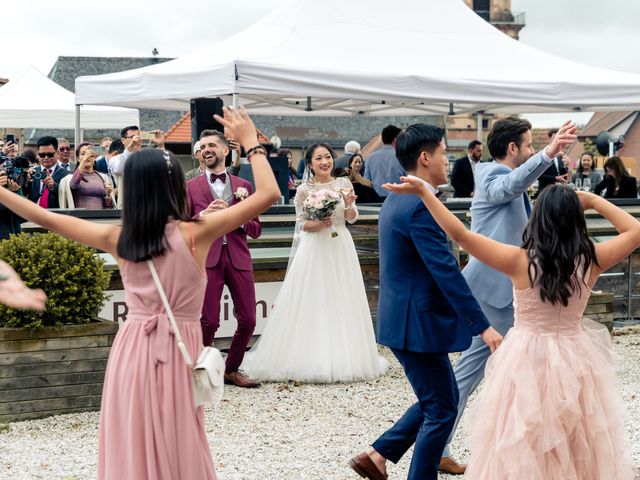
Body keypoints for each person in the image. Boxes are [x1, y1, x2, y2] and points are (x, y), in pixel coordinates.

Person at [0, 107, 280, 480]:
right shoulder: (196, 232)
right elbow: (270, 193)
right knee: (180, 434)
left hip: (133, 347)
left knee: (132, 433)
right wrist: (251, 145)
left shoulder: (119, 238)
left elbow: (46, 217)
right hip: (180, 345)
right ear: (174, 186)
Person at [385, 178, 639, 479]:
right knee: (576, 433)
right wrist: (594, 200)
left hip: (526, 355)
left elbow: (460, 234)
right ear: (577, 219)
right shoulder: (591, 259)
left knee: (522, 433)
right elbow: (636, 231)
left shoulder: (519, 260)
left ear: (537, 218)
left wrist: (425, 192)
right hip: (576, 355)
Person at [348, 124, 501, 480]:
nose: (449, 160)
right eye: (445, 152)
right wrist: (484, 327)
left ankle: (378, 454)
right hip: (417, 323)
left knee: (441, 398)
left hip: (406, 319)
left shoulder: (399, 197)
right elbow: (446, 272)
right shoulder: (418, 205)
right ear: (425, 157)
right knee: (442, 410)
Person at [435, 118, 577, 473]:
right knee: (472, 374)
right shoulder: (489, 177)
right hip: (494, 294)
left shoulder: (504, 179)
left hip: (515, 293)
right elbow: (513, 184)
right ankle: (437, 444)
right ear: (513, 148)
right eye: (528, 145)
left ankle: (538, 450)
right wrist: (548, 153)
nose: (530, 151)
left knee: (534, 369)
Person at [241, 143, 388, 383]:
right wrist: (320, 222)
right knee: (314, 297)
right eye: (318, 158)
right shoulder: (303, 190)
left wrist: (349, 204)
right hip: (314, 247)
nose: (325, 162)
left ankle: (345, 355)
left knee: (342, 296)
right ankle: (311, 355)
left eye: (328, 157)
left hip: (340, 244)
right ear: (309, 163)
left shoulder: (344, 184)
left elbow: (351, 219)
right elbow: (302, 225)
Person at [187, 129, 263, 388]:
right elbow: (180, 227)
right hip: (206, 259)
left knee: (249, 319)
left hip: (238, 258)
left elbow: (256, 229)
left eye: (211, 145)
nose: (206, 149)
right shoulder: (189, 187)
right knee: (208, 321)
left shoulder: (244, 187)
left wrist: (236, 214)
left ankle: (231, 369)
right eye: (202, 146)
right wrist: (203, 216)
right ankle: (199, 373)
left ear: (225, 150)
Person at [58, 142, 116, 209]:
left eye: (90, 154)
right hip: (80, 217)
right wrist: (84, 160)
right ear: (78, 158)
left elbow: (109, 206)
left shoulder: (104, 177)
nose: (87, 157)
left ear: (94, 158)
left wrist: (108, 195)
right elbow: (73, 184)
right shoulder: (70, 178)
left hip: (100, 217)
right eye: (83, 154)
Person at [25, 136, 70, 209]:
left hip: (55, 215)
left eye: (50, 155)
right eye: (42, 155)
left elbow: (67, 196)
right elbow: (24, 193)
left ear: (57, 153)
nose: (46, 158)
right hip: (34, 214)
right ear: (37, 155)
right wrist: (26, 181)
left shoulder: (65, 175)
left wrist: (53, 187)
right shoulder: (33, 172)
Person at [364, 125, 404, 199]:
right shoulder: (402, 157)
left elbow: (366, 182)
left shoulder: (370, 157)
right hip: (397, 198)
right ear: (395, 140)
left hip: (375, 200)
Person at [536, 127, 569, 194]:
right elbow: (538, 175)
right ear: (550, 139)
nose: (556, 140)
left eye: (559, 138)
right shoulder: (542, 154)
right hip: (545, 191)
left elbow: (564, 176)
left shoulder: (560, 155)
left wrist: (566, 166)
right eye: (554, 138)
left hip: (559, 191)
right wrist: (555, 178)